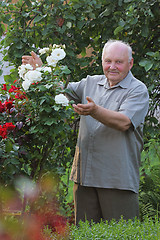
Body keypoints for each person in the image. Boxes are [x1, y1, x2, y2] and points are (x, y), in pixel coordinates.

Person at [22, 40, 149, 225]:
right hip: (84, 178)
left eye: (119, 62)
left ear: (130, 63)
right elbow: (60, 91)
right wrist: (41, 72)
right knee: (85, 233)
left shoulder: (138, 90)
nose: (112, 67)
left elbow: (124, 122)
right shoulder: (89, 83)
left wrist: (95, 111)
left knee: (121, 234)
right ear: (102, 61)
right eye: (108, 61)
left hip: (116, 180)